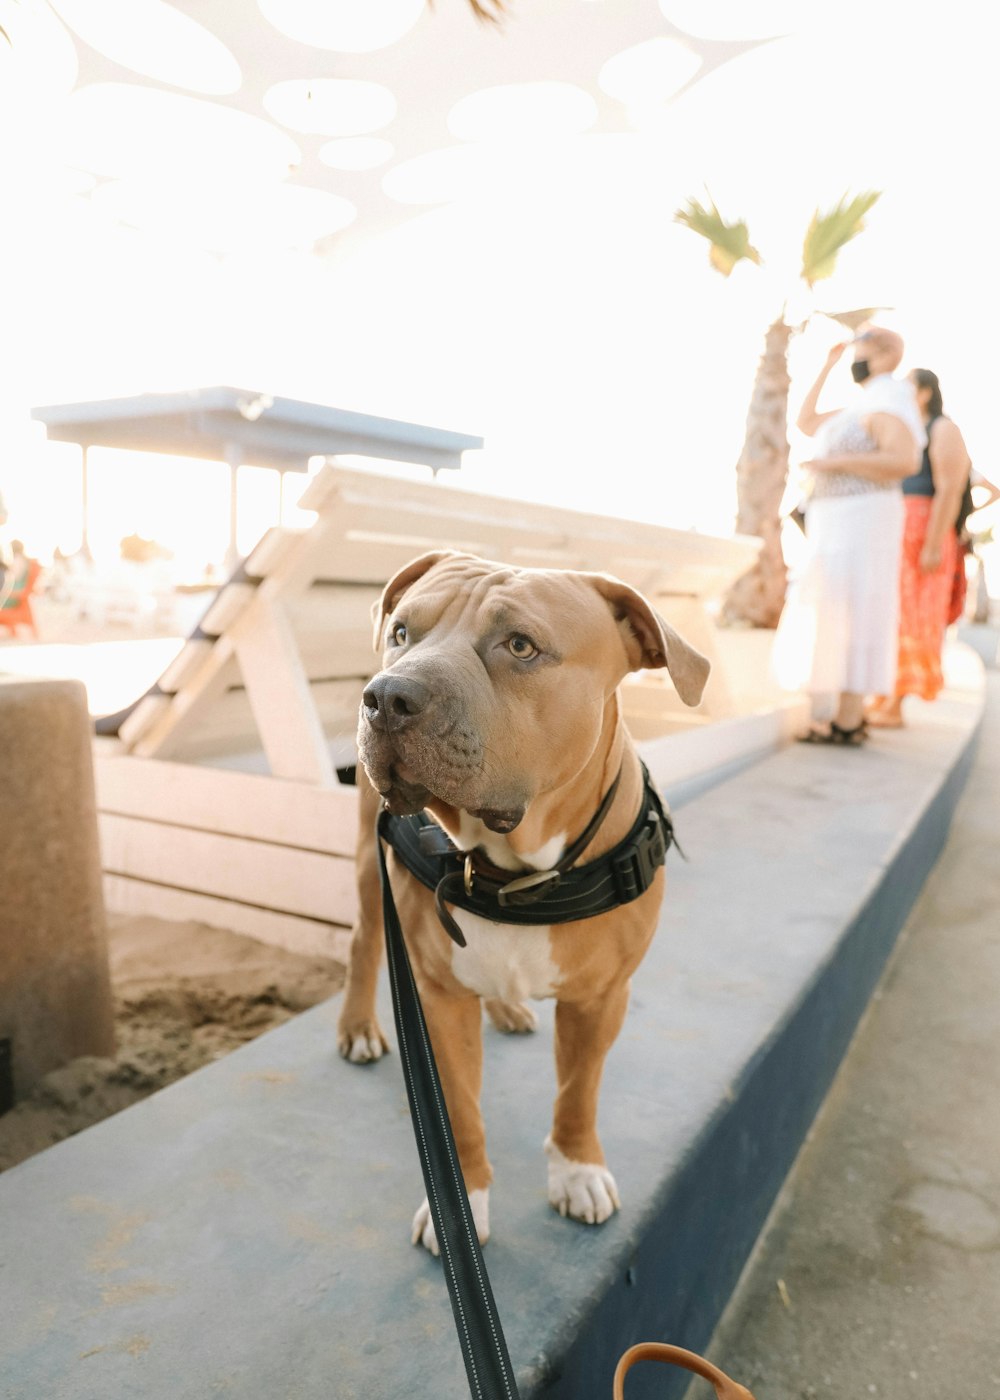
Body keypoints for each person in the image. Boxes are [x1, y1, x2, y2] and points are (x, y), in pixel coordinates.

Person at [773, 326, 925, 745]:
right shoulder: (861, 402)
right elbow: (805, 422)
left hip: (863, 521)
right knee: (832, 605)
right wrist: (827, 364)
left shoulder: (890, 398)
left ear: (887, 352)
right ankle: (839, 716)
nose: (855, 356)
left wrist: (836, 463)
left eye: (861, 349)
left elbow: (903, 459)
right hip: (833, 522)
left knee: (856, 605)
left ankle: (847, 718)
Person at [866, 369, 971, 727]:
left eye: (908, 386)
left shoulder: (943, 428)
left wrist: (932, 544)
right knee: (892, 616)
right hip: (897, 532)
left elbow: (950, 488)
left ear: (925, 393)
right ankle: (881, 695)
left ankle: (896, 705)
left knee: (917, 617)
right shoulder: (907, 430)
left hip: (926, 533)